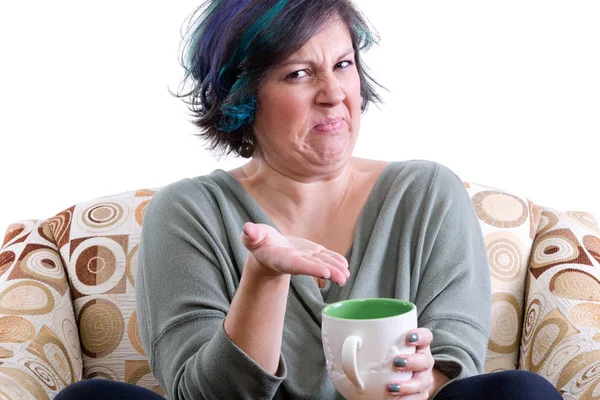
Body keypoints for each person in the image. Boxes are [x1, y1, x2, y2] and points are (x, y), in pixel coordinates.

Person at [56, 0, 564, 399]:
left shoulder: (427, 194)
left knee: (521, 392)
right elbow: (199, 393)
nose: (333, 93)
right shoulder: (190, 212)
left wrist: (421, 384)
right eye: (299, 73)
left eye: (342, 64)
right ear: (242, 97)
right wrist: (265, 278)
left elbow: (456, 366)